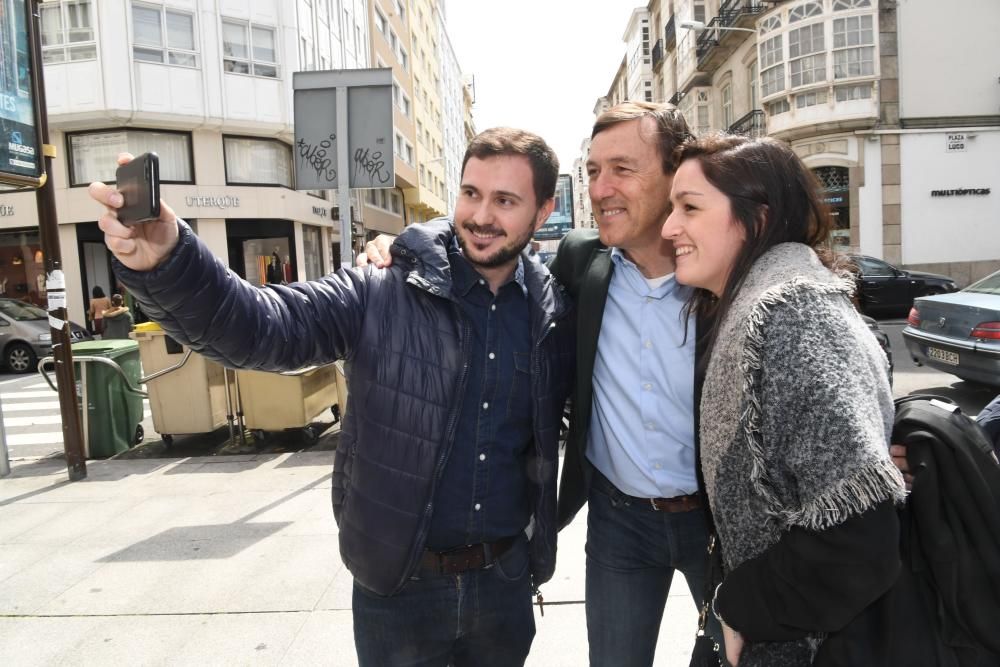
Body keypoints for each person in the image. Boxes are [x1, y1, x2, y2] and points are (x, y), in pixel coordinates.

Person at [89, 127, 575, 667]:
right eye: (471, 193)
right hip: (399, 588)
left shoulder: (551, 314)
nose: (481, 215)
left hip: (504, 588)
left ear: (543, 209)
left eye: (505, 200)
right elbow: (261, 326)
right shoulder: (381, 288)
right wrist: (171, 260)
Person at [361, 102, 719, 666]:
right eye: (594, 171)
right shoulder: (582, 262)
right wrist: (410, 242)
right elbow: (491, 229)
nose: (601, 189)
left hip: (715, 519)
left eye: (622, 169)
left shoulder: (723, 267)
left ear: (676, 175)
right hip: (618, 520)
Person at [661, 133, 906, 666]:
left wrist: (738, 608)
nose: (668, 227)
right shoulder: (753, 305)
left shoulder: (792, 313)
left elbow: (858, 537)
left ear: (758, 218)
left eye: (689, 208)